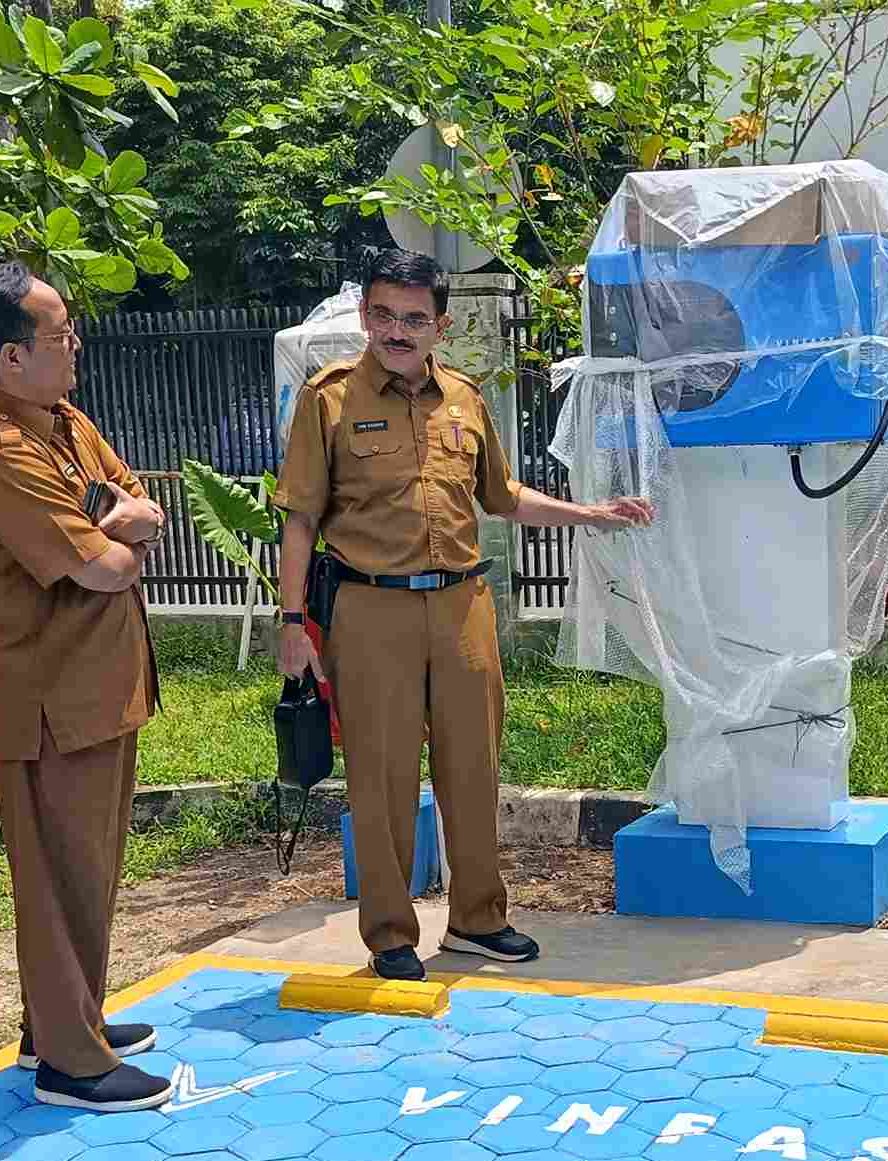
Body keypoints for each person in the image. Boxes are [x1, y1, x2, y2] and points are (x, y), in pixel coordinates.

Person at [275, 248, 652, 981]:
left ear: (439, 325)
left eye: (414, 317)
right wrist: (293, 624)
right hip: (369, 609)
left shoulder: (465, 399)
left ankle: (478, 919)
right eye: (382, 313)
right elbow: (298, 520)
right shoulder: (329, 399)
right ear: (365, 316)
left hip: (461, 606)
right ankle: (389, 931)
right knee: (381, 778)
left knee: (472, 768)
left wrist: (592, 512)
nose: (397, 330)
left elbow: (503, 496)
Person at [0, 259, 172, 1111]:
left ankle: (66, 1020)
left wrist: (115, 516)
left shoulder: (63, 423)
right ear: (9, 358)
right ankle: (69, 1063)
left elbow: (141, 507)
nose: (74, 343)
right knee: (55, 878)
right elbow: (107, 563)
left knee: (92, 870)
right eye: (57, 333)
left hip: (99, 686)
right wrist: (113, 525)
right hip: (48, 700)